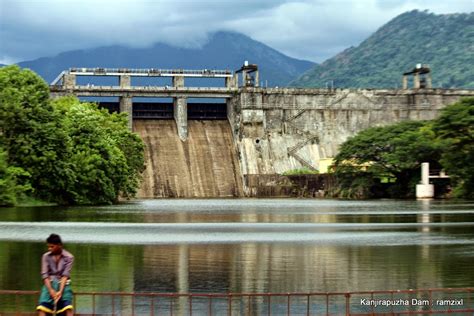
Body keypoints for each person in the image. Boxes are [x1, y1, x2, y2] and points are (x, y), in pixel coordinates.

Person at [37, 234, 74, 315]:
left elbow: (65, 275)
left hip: (63, 284)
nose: (49, 249)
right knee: (41, 308)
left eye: (52, 247)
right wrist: (51, 291)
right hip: (50, 283)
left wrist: (60, 291)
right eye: (49, 247)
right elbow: (45, 275)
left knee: (68, 308)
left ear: (59, 245)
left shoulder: (69, 257)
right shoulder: (45, 256)